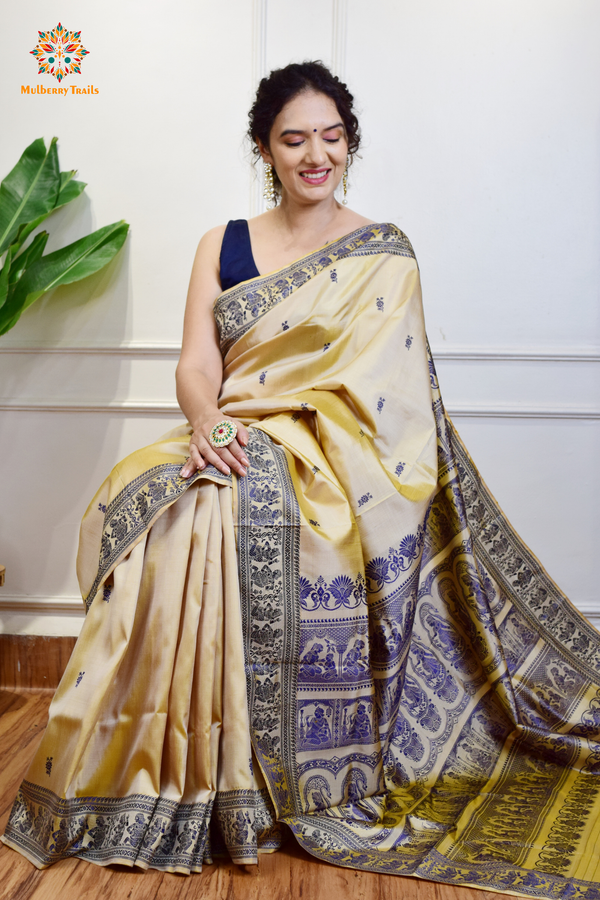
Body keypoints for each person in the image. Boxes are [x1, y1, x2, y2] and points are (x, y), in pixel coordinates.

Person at [3, 61, 600, 898]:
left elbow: (390, 414)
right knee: (147, 491)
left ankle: (248, 780)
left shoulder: (383, 255)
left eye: (331, 137)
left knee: (229, 503)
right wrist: (207, 422)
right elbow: (195, 363)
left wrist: (275, 447)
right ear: (265, 149)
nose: (315, 154)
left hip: (334, 459)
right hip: (228, 427)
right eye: (295, 139)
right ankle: (151, 774)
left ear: (349, 144)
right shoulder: (225, 242)